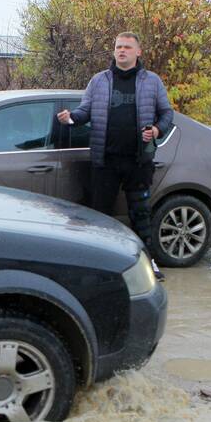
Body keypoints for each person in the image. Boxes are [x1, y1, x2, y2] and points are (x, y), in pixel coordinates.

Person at [57, 32, 173, 274]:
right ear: (114, 51)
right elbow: (84, 111)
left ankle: (148, 264)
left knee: (140, 215)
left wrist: (156, 129)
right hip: (105, 161)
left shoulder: (151, 81)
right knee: (101, 216)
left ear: (138, 52)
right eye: (119, 46)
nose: (122, 51)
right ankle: (101, 267)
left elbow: (167, 114)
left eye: (128, 47)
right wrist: (70, 119)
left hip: (138, 161)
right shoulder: (99, 81)